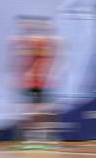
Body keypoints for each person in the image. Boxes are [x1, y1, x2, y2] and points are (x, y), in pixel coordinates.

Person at [11, 16, 60, 147]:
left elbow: (46, 52)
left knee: (40, 110)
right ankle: (28, 138)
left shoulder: (44, 42)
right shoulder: (23, 41)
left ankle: (48, 137)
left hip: (40, 83)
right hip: (29, 83)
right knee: (30, 109)